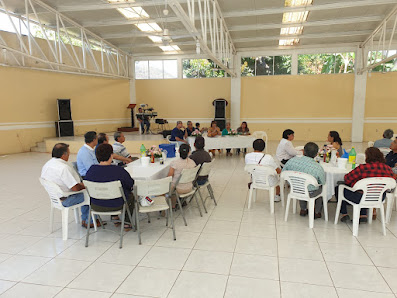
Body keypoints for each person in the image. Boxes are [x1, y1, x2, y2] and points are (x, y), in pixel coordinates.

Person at [41, 143, 97, 229]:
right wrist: (85, 185)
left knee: (85, 191)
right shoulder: (63, 168)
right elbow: (75, 188)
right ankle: (90, 221)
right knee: (90, 193)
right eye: (68, 153)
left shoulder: (47, 164)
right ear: (64, 155)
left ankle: (85, 219)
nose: (69, 156)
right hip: (67, 199)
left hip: (55, 198)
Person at [335, 147, 395, 223]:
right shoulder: (388, 169)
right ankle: (363, 215)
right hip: (380, 197)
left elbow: (347, 179)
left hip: (359, 197)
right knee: (367, 190)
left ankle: (344, 214)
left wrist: (355, 183)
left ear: (367, 157)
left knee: (339, 188)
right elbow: (392, 182)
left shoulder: (362, 168)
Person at [85, 144, 135, 231]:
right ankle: (127, 223)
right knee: (130, 196)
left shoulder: (91, 170)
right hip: (116, 205)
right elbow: (130, 184)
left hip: (96, 205)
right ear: (111, 155)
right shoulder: (119, 170)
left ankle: (115, 218)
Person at [282, 142, 326, 218]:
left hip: (295, 188)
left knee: (301, 184)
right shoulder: (317, 167)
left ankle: (303, 209)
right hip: (311, 192)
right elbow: (322, 181)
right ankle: (317, 212)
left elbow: (283, 173)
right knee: (319, 188)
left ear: (303, 151)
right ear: (316, 154)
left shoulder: (292, 161)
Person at [168, 144, 196, 208]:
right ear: (189, 152)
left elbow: (169, 177)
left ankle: (171, 205)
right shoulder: (192, 163)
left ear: (178, 151)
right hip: (189, 187)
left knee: (167, 185)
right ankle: (179, 202)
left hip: (178, 189)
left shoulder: (174, 163)